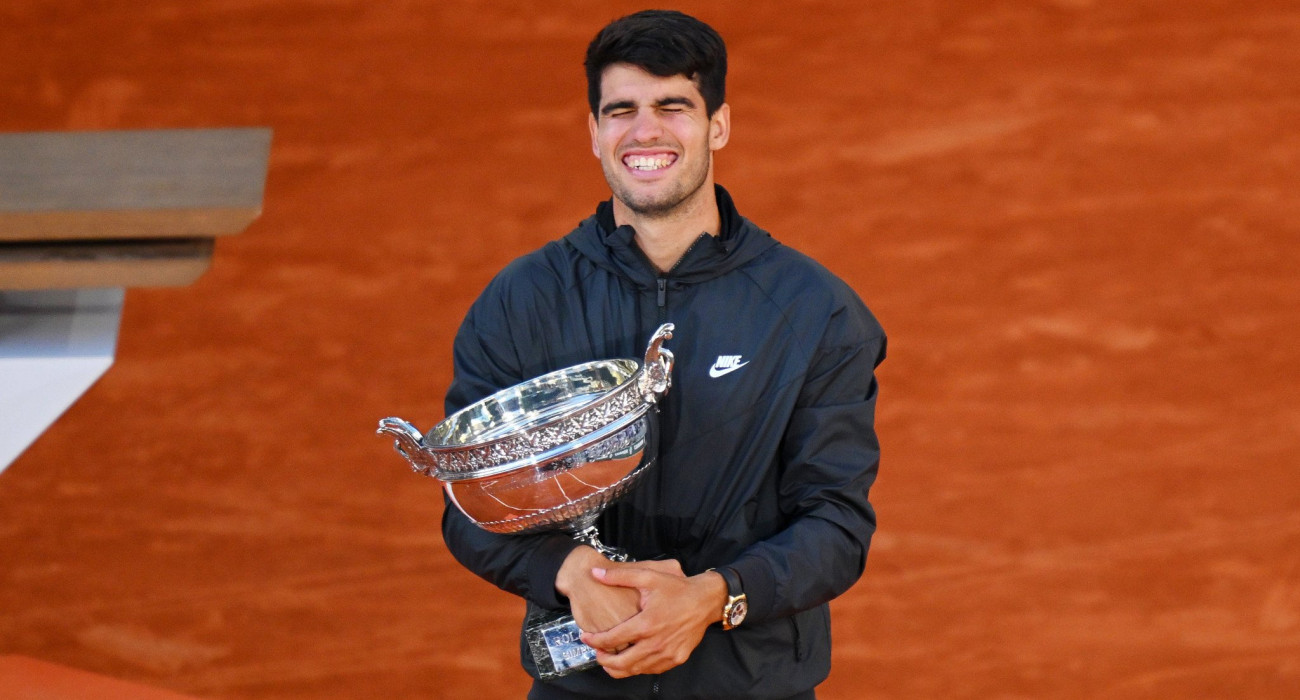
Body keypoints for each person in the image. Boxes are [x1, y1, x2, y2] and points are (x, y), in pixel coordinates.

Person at [440, 9, 886, 699]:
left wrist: (714, 596)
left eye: (673, 106)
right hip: (583, 683)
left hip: (752, 685)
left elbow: (835, 521)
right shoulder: (522, 302)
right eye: (621, 111)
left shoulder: (812, 309)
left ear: (718, 125)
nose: (645, 131)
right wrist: (573, 574)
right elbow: (471, 504)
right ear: (594, 133)